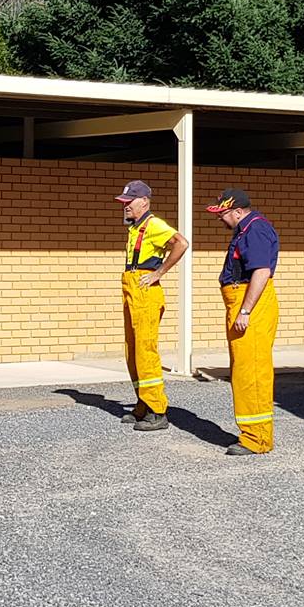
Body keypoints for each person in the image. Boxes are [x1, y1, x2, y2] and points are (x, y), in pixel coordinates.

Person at [209, 187, 280, 456]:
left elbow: (261, 272)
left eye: (223, 213)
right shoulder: (245, 229)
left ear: (238, 211)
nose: (220, 218)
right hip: (242, 302)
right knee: (243, 370)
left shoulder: (255, 229)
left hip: (251, 306)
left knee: (252, 372)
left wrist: (245, 311)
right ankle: (251, 434)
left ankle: (257, 439)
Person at [114, 179, 188, 432]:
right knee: (133, 351)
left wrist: (159, 272)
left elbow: (181, 243)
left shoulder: (154, 224)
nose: (125, 206)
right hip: (133, 289)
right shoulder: (135, 227)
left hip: (145, 292)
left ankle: (157, 411)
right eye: (124, 201)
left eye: (129, 201)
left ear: (144, 202)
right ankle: (143, 405)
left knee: (145, 351)